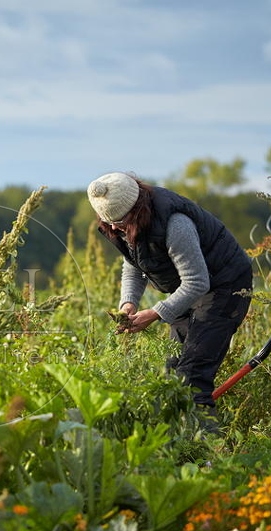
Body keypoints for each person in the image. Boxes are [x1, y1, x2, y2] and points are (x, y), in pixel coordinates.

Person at [87, 171, 253, 414]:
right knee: (171, 376)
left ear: (136, 210)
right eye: (107, 221)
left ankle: (207, 448)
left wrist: (154, 313)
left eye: (120, 223)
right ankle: (178, 445)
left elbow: (197, 282)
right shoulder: (126, 224)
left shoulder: (176, 224)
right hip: (187, 289)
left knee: (191, 378)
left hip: (225, 286)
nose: (113, 227)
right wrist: (128, 303)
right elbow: (134, 263)